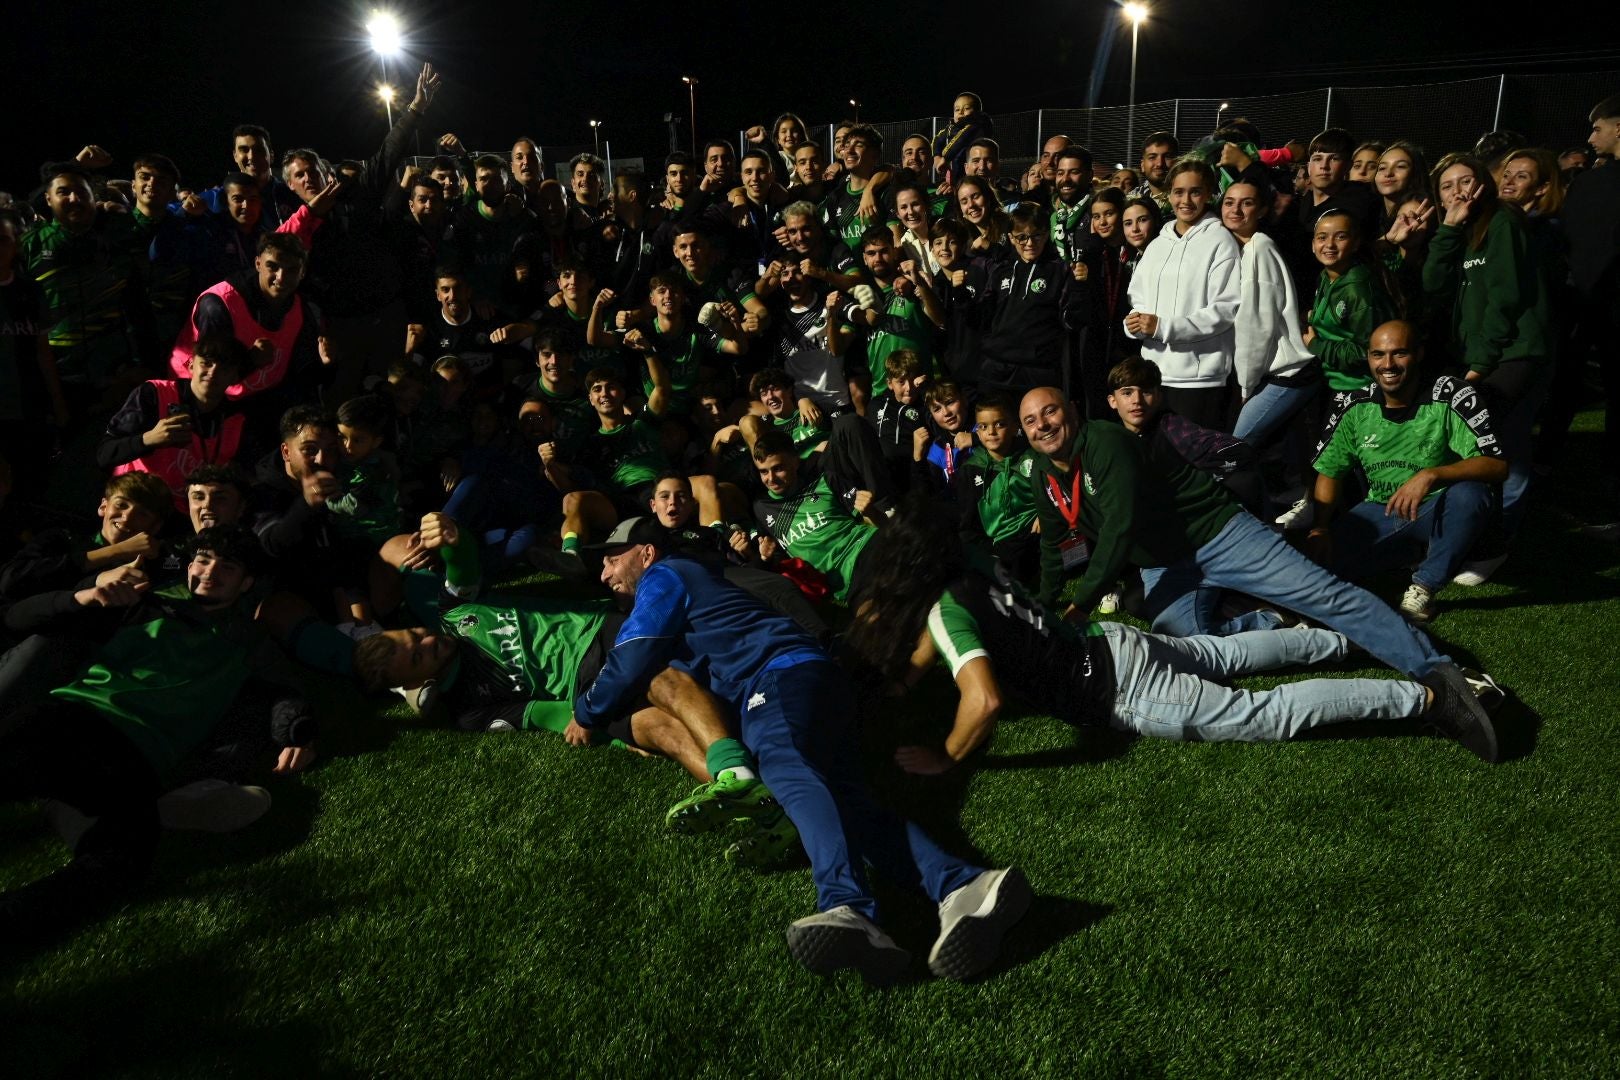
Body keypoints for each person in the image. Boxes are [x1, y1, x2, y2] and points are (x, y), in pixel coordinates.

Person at [575, 516, 1031, 983]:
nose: (605, 574)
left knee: (788, 770)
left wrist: (586, 710)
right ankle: (966, 886)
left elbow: (633, 653)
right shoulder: (690, 589)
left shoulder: (665, 575)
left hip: (778, 678)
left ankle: (846, 903)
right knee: (849, 806)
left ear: (646, 553)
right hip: (809, 680)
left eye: (612, 560)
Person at [843, 508, 1503, 777]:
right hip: (1113, 642)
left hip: (1116, 688)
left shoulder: (943, 613)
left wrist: (947, 758)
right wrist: (901, 680)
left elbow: (982, 702)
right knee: (1220, 654)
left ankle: (1424, 699)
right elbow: (944, 641)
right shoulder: (970, 567)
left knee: (1262, 715)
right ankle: (1335, 641)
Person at [1017, 385, 1481, 694]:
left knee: (1326, 594)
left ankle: (1437, 669)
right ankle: (1278, 624)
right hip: (1165, 561)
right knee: (1190, 646)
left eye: (1050, 411)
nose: (1042, 425)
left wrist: (1079, 606)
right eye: (1031, 421)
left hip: (1217, 532)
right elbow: (1053, 541)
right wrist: (1042, 601)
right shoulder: (1044, 471)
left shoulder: (1105, 442)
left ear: (1072, 410)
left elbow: (1117, 529)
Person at [0, 525, 318, 941]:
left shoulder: (250, 641)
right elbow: (16, 616)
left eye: (228, 566)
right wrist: (84, 596)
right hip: (73, 720)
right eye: (203, 559)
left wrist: (299, 731)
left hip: (136, 761)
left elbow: (284, 693)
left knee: (123, 862)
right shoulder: (142, 601)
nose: (210, 571)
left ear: (247, 582)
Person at [1307, 321, 1507, 624]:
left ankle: (1424, 586)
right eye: (1378, 355)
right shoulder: (1354, 405)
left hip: (1438, 508)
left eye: (1399, 354)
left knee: (1471, 493)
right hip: (1382, 510)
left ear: (1419, 354)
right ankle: (1408, 554)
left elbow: (1496, 465)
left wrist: (1432, 475)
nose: (1387, 364)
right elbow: (1330, 471)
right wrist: (1320, 527)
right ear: (1369, 358)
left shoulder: (1449, 394)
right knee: (1313, 566)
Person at [1422, 153, 1553, 563]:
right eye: (1447, 186)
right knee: (1485, 443)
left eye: (1466, 181)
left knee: (1497, 445)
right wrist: (1446, 229)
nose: (1458, 190)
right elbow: (1432, 285)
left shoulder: (1503, 220)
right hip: (1479, 354)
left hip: (1513, 352)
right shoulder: (1459, 232)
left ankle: (1496, 542)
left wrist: (1480, 366)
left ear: (1484, 184)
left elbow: (1505, 300)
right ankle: (1471, 532)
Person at [1123, 159, 1240, 430]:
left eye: (1195, 192)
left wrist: (1165, 327)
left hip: (1199, 380)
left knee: (1193, 463)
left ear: (1210, 193)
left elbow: (1225, 309)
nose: (1185, 200)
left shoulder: (1221, 241)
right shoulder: (1157, 244)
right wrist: (1134, 323)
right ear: (1169, 194)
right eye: (1178, 192)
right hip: (1151, 376)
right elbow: (1137, 297)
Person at [98, 335, 256, 507]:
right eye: (206, 363)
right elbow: (104, 455)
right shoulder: (154, 393)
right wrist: (149, 439)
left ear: (235, 377)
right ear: (190, 365)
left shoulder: (236, 420)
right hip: (136, 504)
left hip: (190, 513)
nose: (213, 373)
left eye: (224, 368)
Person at [1225, 178, 1318, 445]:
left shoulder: (1259, 248)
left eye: (1247, 203)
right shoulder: (1242, 249)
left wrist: (1245, 385)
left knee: (1234, 449)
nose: (1236, 210)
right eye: (1229, 202)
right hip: (1272, 373)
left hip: (1288, 373)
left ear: (1263, 210)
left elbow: (1255, 325)